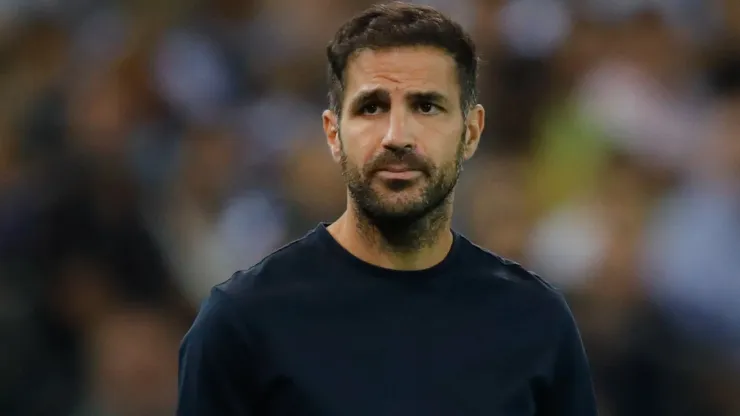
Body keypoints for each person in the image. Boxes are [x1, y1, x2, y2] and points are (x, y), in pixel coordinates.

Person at [177, 2, 597, 415]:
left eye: (426, 106)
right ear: (333, 133)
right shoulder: (243, 325)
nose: (397, 136)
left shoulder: (536, 321)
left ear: (470, 132)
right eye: (372, 107)